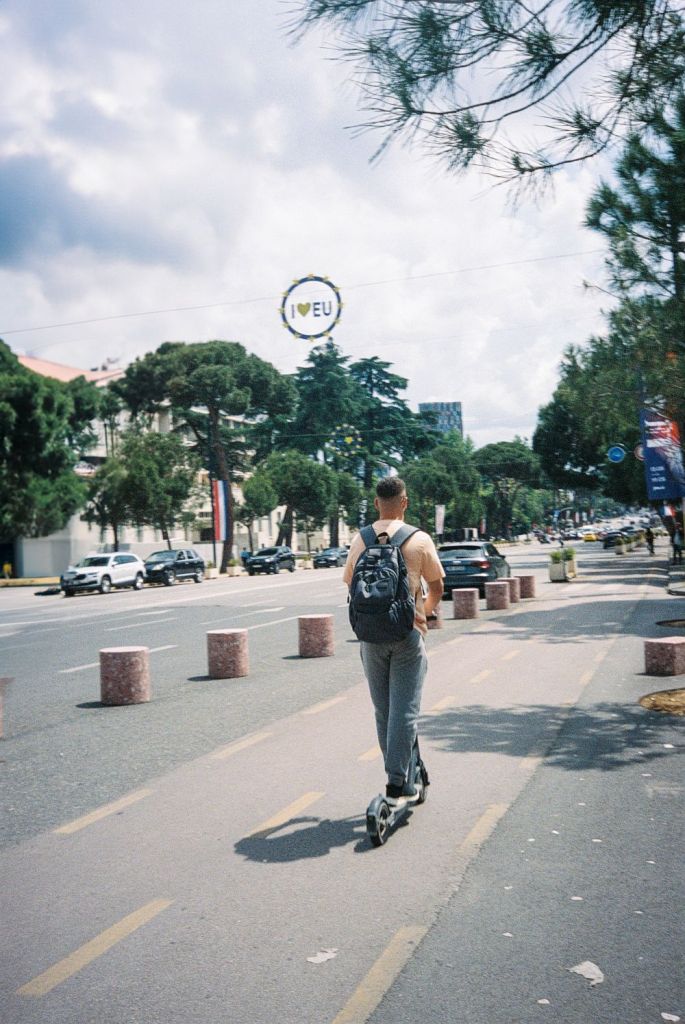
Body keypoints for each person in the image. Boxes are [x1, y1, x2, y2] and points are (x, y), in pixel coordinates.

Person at [342, 477, 445, 806]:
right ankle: (397, 782)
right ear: (405, 502)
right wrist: (422, 614)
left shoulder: (360, 540)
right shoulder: (419, 540)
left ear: (376, 504)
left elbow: (350, 585)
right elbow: (438, 587)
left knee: (383, 711)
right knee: (406, 711)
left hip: (370, 638)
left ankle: (398, 772)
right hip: (406, 635)